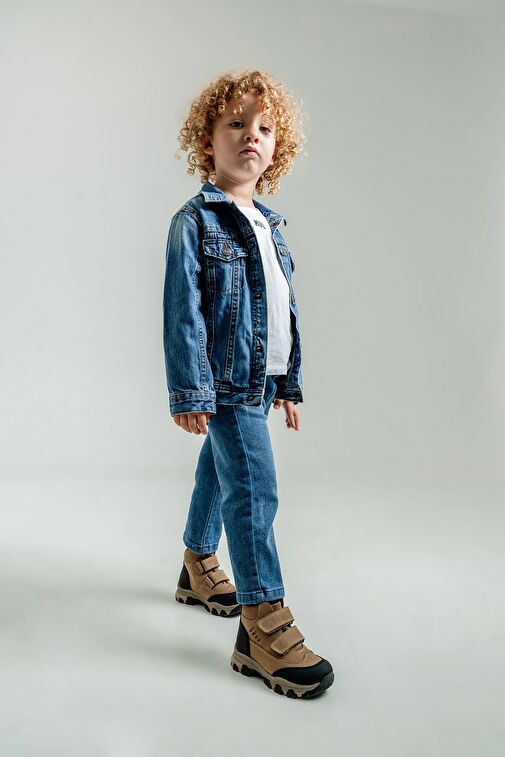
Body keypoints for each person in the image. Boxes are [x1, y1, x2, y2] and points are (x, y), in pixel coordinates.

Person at [163, 68, 333, 698]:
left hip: (261, 380)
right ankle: (262, 621)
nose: (250, 135)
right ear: (206, 140)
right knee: (255, 491)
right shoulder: (195, 223)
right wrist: (191, 391)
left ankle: (197, 562)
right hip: (225, 383)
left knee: (221, 467)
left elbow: (281, 311)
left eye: (264, 127)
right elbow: (182, 313)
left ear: (276, 147)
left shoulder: (270, 227)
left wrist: (288, 381)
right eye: (235, 123)